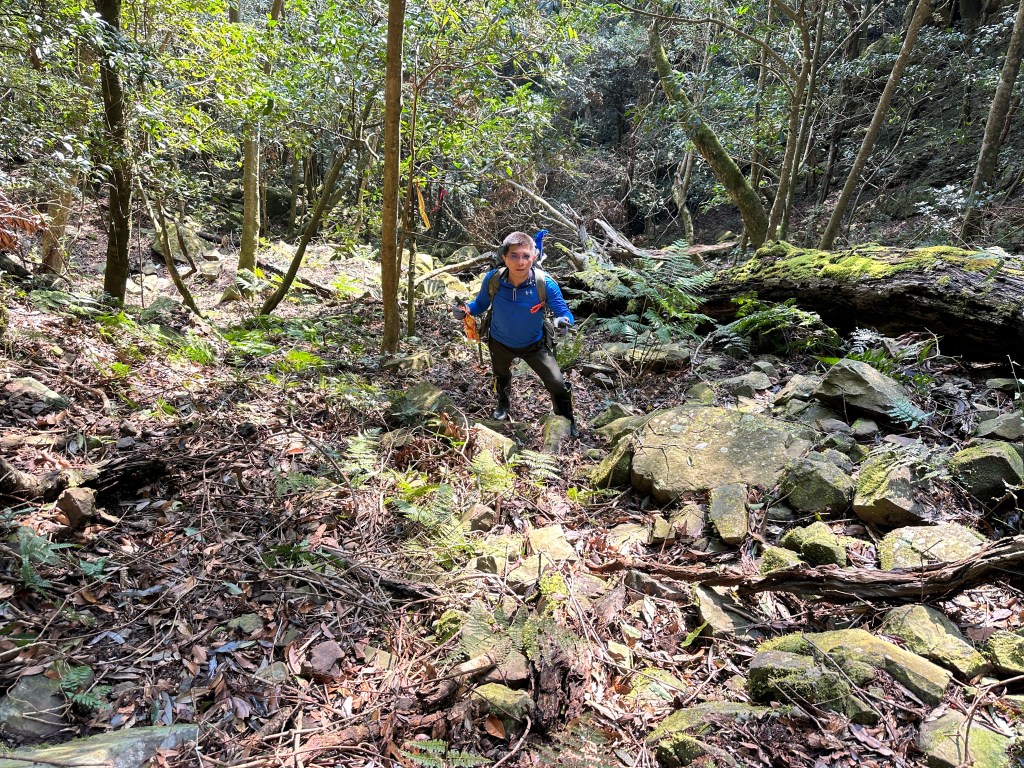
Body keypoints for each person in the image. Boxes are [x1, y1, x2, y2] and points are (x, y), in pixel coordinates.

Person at [453, 231, 578, 437]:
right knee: (501, 375)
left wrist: (563, 322)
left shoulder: (544, 283)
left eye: (526, 256)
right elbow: (480, 304)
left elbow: (563, 312)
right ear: (504, 257)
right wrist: (464, 310)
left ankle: (566, 418)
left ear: (534, 257)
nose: (520, 262)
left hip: (534, 344)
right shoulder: (493, 280)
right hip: (499, 342)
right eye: (514, 256)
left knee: (557, 383)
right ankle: (503, 404)